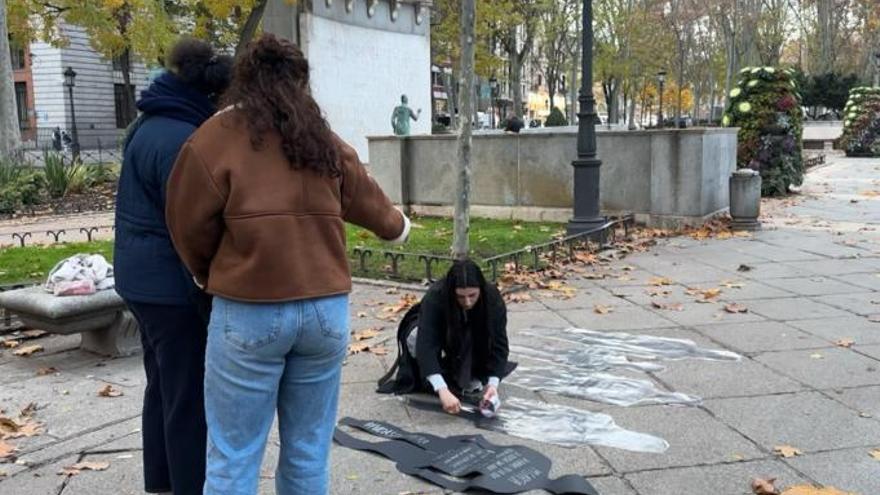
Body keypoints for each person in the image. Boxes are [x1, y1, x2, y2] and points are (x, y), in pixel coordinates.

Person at [165, 34, 410, 495]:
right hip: (325, 310)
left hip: (249, 307)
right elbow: (378, 210)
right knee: (308, 452)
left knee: (233, 455)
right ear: (300, 82)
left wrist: (209, 272)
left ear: (244, 79)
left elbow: (186, 225)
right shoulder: (321, 138)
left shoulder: (215, 138)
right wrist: (399, 227)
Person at [113, 38, 233, 495]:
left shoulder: (149, 122)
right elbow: (192, 225)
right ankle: (189, 485)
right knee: (188, 394)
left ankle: (160, 480)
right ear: (210, 95)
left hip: (139, 280)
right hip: (170, 287)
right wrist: (208, 286)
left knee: (162, 384)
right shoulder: (185, 139)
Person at [378, 260, 515, 416]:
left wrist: (493, 385)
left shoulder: (492, 297)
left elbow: (499, 344)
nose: (467, 302)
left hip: (472, 336)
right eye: (460, 297)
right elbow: (426, 343)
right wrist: (441, 389)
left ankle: (465, 372)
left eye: (472, 295)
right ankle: (433, 376)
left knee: (470, 383)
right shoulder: (436, 295)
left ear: (480, 290)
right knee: (415, 338)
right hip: (440, 331)